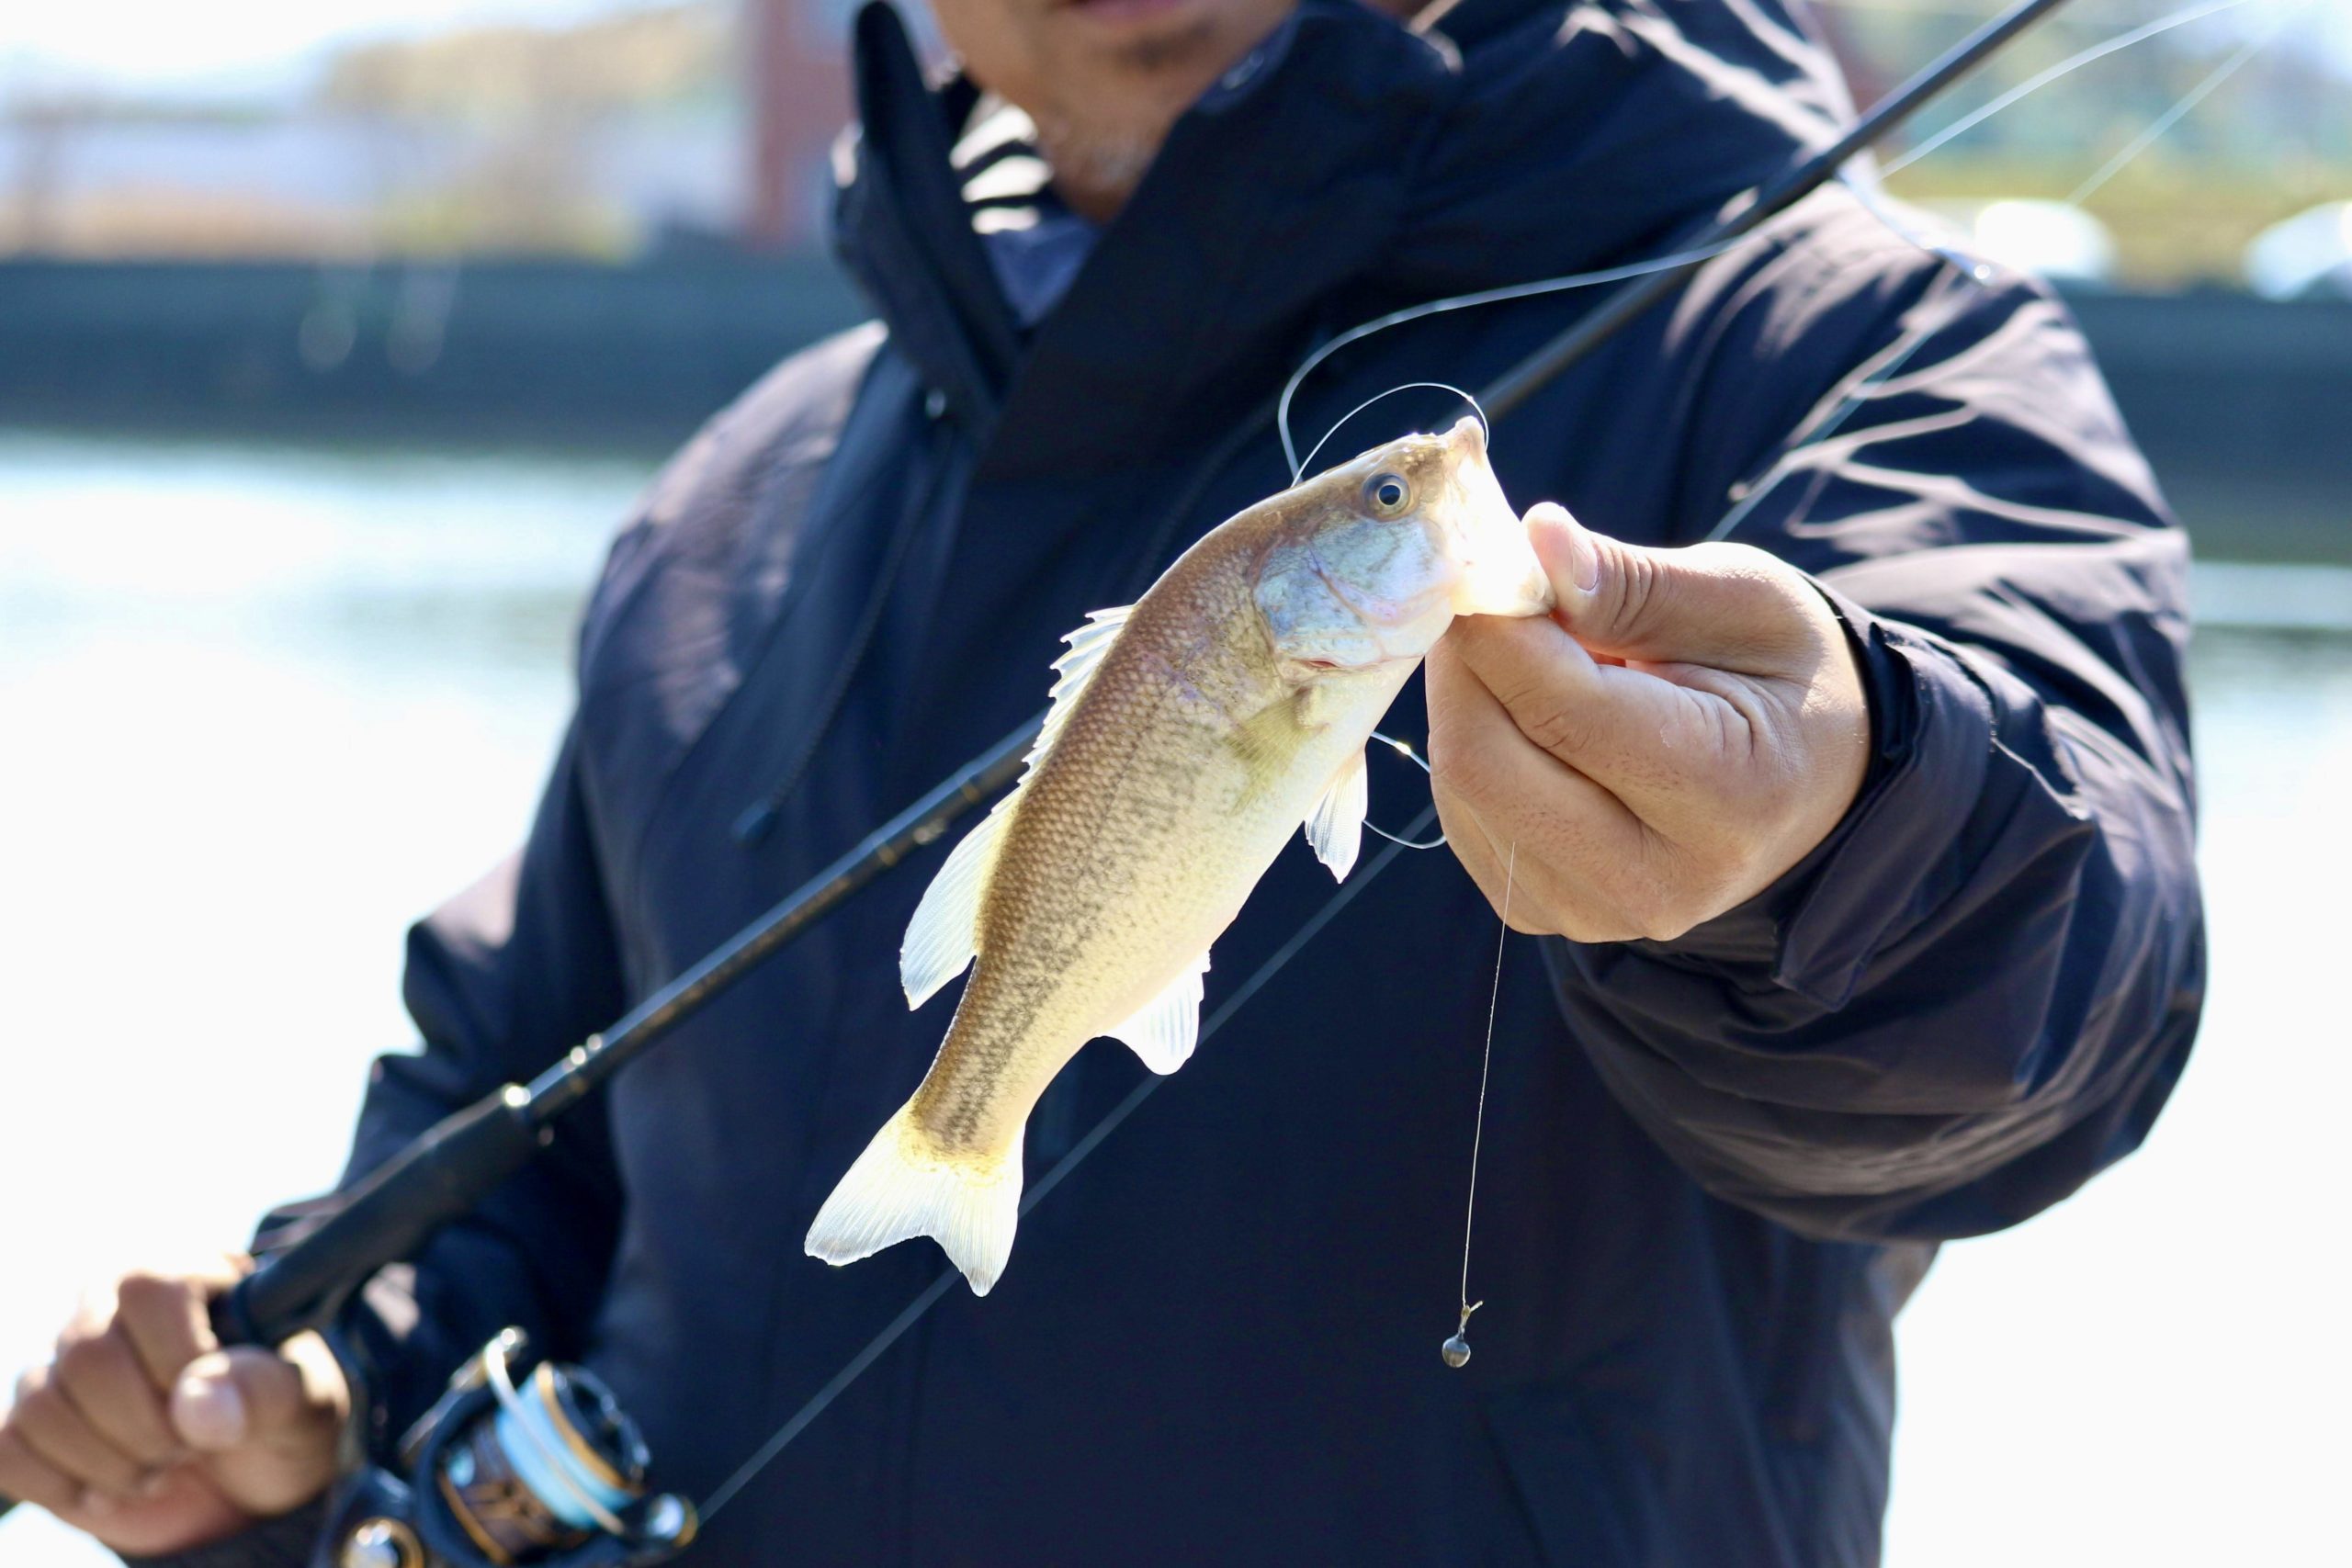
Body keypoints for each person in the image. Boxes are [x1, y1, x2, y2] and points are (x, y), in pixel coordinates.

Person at [0, 0, 2204, 1562]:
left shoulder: (1850, 356)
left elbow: (2069, 995)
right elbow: (521, 1136)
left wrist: (1843, 825)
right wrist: (319, 1419)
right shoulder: (730, 504)